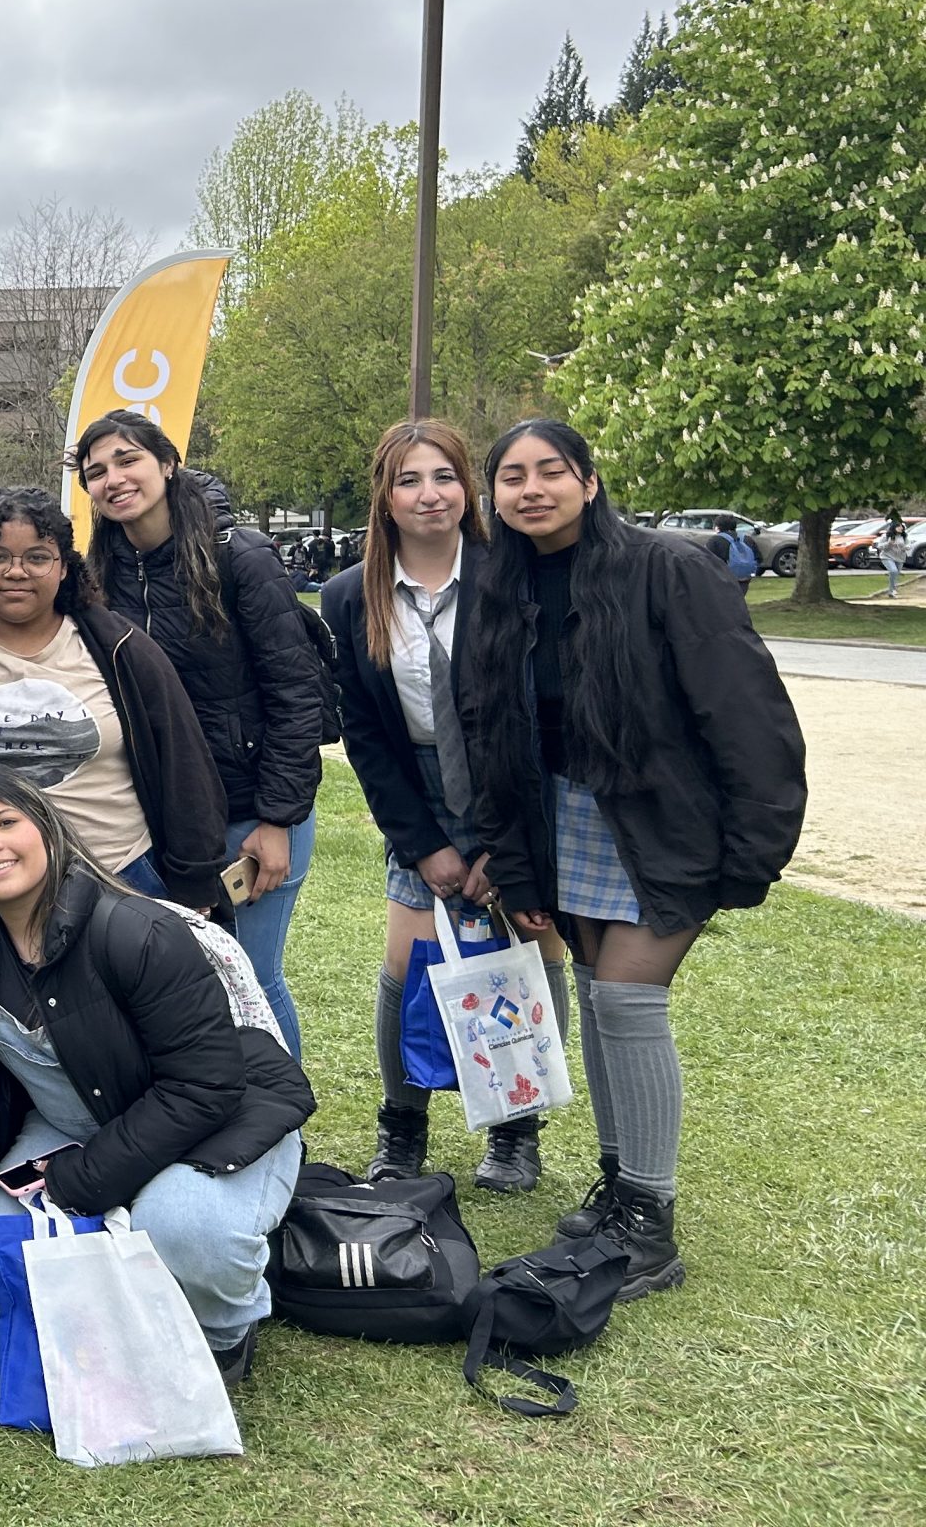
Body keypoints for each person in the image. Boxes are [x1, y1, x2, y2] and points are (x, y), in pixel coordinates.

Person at [460, 418, 806, 1298]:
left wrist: (755, 849)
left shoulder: (671, 566)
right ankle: (620, 1185)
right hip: (559, 817)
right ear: (493, 496)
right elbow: (494, 734)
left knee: (625, 998)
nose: (530, 489)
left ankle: (649, 1223)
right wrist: (519, 865)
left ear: (588, 478)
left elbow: (747, 714)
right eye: (511, 478)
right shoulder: (497, 586)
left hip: (662, 821)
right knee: (592, 988)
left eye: (550, 471)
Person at [0, 766, 312, 1386]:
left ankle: (225, 1327)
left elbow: (206, 1087)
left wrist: (86, 1178)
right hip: (74, 1121)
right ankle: (115, 1310)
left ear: (47, 829)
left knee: (182, 1232)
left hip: (221, 1116)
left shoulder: (137, 930)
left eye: (5, 822)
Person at [323, 420, 570, 1193]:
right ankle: (402, 1127)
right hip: (420, 795)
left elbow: (540, 716)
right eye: (408, 481)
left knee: (531, 948)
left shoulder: (513, 578)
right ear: (385, 499)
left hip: (514, 790)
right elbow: (366, 737)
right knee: (410, 961)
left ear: (469, 489)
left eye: (444, 477)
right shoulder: (346, 596)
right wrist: (424, 842)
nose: (428, 495)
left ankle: (516, 1126)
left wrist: (503, 842)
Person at [77, 410, 328, 1058]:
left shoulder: (239, 557)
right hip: (161, 822)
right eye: (96, 470)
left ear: (166, 463)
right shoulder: (98, 576)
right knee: (182, 987)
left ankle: (281, 1138)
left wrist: (277, 819)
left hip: (252, 814)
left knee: (252, 978)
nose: (113, 479)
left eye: (127, 459)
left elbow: (296, 696)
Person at [0, 487, 229, 909]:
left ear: (64, 568)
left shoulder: (119, 646)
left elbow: (184, 761)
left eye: (37, 558)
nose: (16, 571)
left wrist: (195, 882)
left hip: (122, 877)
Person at [712, 515, 759, 592]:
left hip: (723, 577)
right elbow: (758, 557)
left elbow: (705, 559)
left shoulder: (715, 540)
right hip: (745, 578)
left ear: (717, 527)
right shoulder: (747, 538)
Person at [878, 513, 909, 598]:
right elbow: (879, 546)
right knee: (893, 571)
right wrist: (888, 544)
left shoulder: (904, 536)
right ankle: (892, 590)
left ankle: (892, 591)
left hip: (900, 558)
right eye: (899, 526)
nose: (901, 528)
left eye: (902, 526)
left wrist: (905, 547)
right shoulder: (886, 536)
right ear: (894, 527)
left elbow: (908, 545)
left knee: (896, 575)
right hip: (887, 556)